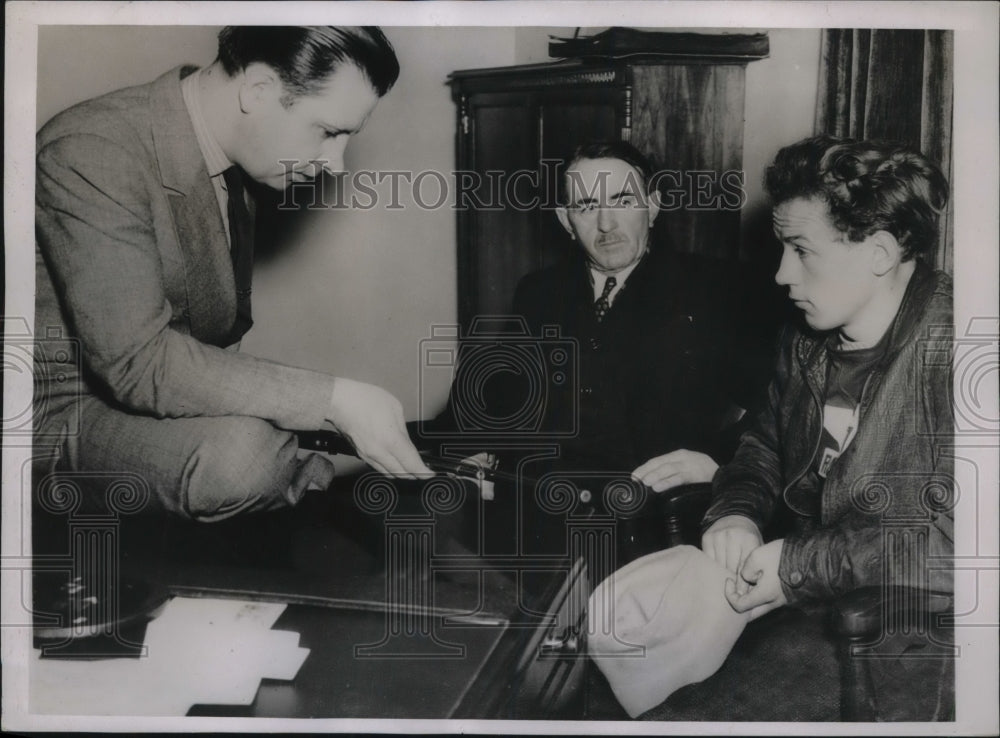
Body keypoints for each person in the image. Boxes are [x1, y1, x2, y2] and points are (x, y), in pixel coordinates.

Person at [34, 26, 431, 522]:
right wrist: (336, 399)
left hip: (140, 403)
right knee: (242, 456)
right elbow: (138, 364)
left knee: (265, 442)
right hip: (57, 415)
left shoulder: (237, 162)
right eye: (329, 131)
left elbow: (216, 341)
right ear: (258, 90)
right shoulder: (93, 149)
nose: (337, 164)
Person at [429, 141, 764, 564]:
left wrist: (718, 463)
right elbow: (491, 396)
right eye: (586, 206)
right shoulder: (539, 291)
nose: (606, 224)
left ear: (653, 206)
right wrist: (472, 450)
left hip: (651, 528)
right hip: (537, 523)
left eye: (623, 200)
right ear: (565, 221)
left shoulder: (716, 291)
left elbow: (777, 413)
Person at [700, 135, 954, 620]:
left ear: (879, 253)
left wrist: (801, 565)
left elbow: (963, 545)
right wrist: (736, 512)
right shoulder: (804, 336)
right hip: (806, 602)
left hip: (909, 634)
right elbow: (764, 446)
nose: (780, 274)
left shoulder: (960, 350)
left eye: (801, 250)